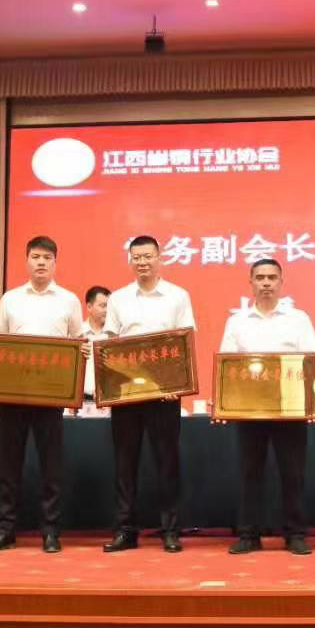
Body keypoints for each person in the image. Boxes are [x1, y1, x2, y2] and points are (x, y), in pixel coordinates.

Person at [0, 236, 83, 553]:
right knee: (9, 465)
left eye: (47, 257)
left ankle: (51, 531)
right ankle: (5, 529)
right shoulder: (10, 299)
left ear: (55, 263)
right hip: (14, 395)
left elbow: (78, 343)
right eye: (36, 256)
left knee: (51, 466)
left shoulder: (69, 300)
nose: (41, 262)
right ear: (26, 261)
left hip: (52, 396)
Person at [219, 259, 315, 556]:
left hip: (290, 406)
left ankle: (295, 534)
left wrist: (313, 400)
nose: (266, 283)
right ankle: (248, 534)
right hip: (249, 408)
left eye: (272, 277)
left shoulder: (298, 319)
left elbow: (311, 360)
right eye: (260, 277)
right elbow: (227, 363)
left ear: (281, 282)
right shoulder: (237, 321)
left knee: (293, 473)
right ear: (250, 282)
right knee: (250, 472)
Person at [102, 235, 196, 553]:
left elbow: (184, 342)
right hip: (127, 393)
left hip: (165, 394)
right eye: (137, 257)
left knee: (167, 462)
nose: (142, 262)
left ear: (159, 258)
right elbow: (110, 344)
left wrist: (177, 384)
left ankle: (170, 530)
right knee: (124, 463)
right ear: (130, 261)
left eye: (148, 256)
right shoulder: (118, 298)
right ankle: (125, 531)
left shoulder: (178, 296)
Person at [78, 285, 112, 418]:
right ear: (89, 307)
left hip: (109, 405)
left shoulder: (115, 335)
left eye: (109, 306)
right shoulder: (77, 334)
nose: (107, 310)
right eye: (103, 306)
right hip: (79, 405)